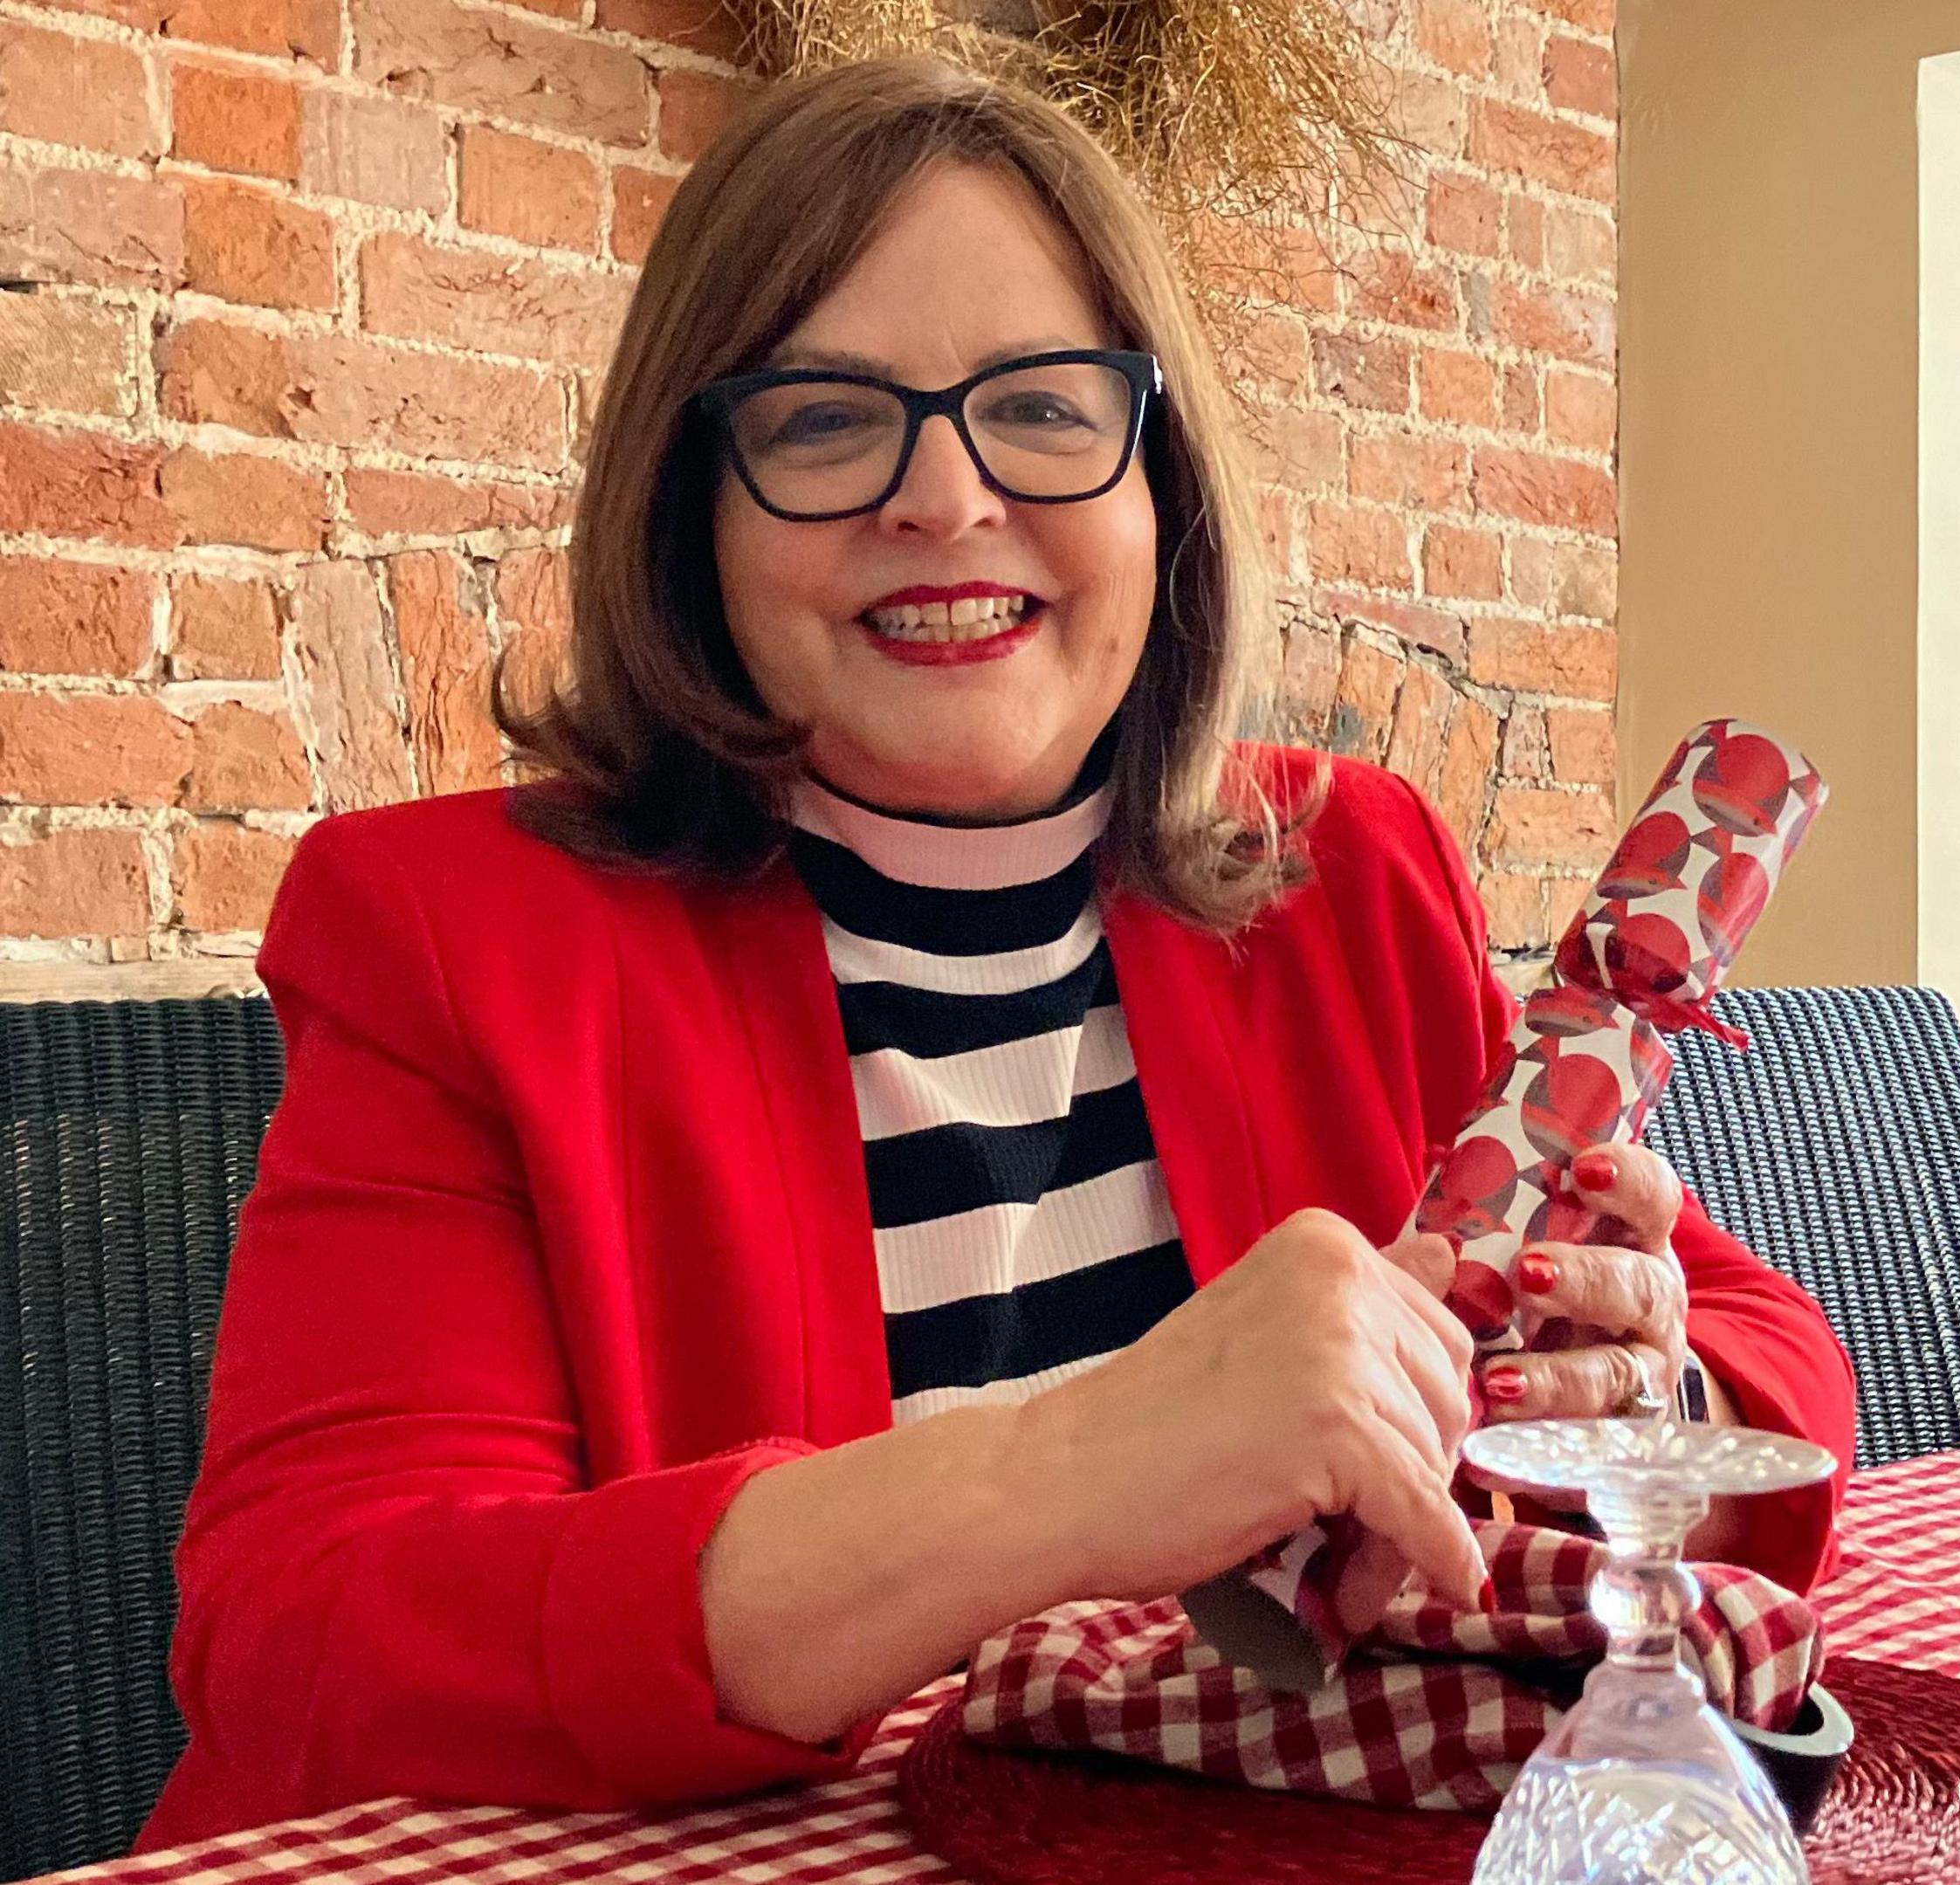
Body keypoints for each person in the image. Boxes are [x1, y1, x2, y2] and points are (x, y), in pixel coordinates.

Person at [141, 57, 1856, 1849]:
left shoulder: (1351, 873)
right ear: (690, 507)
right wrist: (1085, 1473)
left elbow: (1765, 1355)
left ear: (1159, 481)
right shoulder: (451, 940)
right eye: (821, 421)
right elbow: (312, 1640)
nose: (946, 501)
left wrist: (1635, 1400)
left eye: (1041, 408)